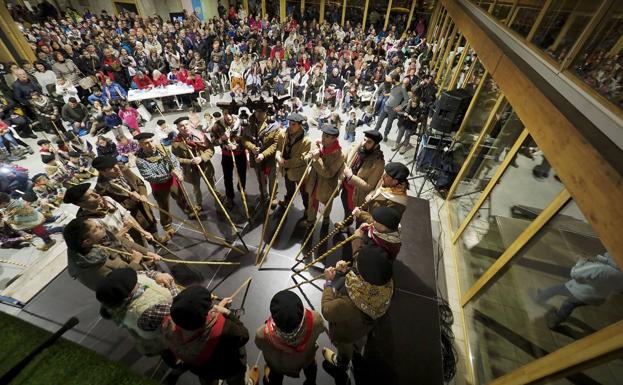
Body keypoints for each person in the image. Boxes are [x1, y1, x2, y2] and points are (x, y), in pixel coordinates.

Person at [321, 244, 394, 379]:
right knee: (360, 341)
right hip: (364, 327)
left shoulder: (349, 302)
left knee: (345, 349)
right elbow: (363, 278)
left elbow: (327, 310)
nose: (355, 262)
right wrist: (347, 270)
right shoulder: (385, 285)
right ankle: (357, 350)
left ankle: (342, 363)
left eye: (357, 263)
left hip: (346, 332)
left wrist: (328, 284)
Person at [161, 285, 259, 385]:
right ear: (206, 313)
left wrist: (216, 310)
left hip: (201, 369)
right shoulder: (224, 329)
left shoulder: (167, 325)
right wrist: (227, 312)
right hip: (227, 368)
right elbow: (244, 335)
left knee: (208, 380)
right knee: (237, 377)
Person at [95, 267, 178, 356]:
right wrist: (171, 284)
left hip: (156, 324)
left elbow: (143, 273)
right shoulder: (146, 312)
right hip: (169, 333)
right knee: (169, 350)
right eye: (135, 281)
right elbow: (178, 308)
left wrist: (158, 275)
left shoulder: (128, 283)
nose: (137, 280)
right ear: (128, 295)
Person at [62, 217, 158, 291]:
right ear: (87, 242)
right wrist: (135, 262)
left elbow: (121, 241)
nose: (101, 226)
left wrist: (146, 252)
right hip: (138, 289)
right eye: (96, 229)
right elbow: (123, 284)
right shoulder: (93, 266)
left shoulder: (99, 239)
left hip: (146, 273)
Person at [92, 156, 168, 245]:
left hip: (143, 207)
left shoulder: (122, 168)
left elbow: (139, 182)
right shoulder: (101, 188)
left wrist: (143, 195)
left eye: (115, 164)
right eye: (111, 168)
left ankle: (157, 241)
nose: (117, 168)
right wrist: (131, 199)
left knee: (151, 223)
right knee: (139, 239)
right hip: (131, 217)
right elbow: (114, 208)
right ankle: (146, 253)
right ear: (103, 172)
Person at [535, 252, 623, 328]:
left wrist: (581, 261)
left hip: (579, 290)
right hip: (595, 297)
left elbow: (575, 273)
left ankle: (540, 298)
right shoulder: (619, 273)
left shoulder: (601, 268)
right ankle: (555, 321)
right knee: (569, 305)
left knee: (556, 290)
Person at [255, 290, 326, 385]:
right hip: (306, 358)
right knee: (311, 370)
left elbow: (259, 345)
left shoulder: (263, 333)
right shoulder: (315, 319)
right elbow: (321, 329)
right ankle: (310, 381)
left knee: (275, 378)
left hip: (278, 365)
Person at [63, 183, 154, 245]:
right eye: (90, 196)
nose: (97, 195)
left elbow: (126, 216)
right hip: (122, 248)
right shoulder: (87, 222)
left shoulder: (107, 199)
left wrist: (143, 232)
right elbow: (107, 245)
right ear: (79, 204)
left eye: (94, 192)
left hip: (135, 238)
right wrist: (125, 229)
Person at [134, 132, 191, 232]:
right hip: (159, 186)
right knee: (164, 206)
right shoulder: (140, 160)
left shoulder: (163, 149)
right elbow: (150, 177)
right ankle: (167, 224)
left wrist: (178, 171)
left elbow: (175, 161)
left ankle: (188, 210)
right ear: (140, 145)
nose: (151, 145)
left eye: (151, 141)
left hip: (172, 180)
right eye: (146, 143)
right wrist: (170, 174)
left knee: (181, 197)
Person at [171, 116, 218, 211]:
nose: (185, 127)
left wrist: (201, 158)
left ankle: (218, 197)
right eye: (182, 126)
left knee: (211, 185)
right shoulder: (176, 143)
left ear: (190, 124)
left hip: (205, 166)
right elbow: (175, 159)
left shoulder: (200, 136)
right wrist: (189, 161)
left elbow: (210, 149)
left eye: (186, 124)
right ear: (178, 128)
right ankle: (199, 204)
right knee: (196, 188)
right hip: (191, 170)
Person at [241, 99, 282, 206]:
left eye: (262, 111)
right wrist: (252, 147)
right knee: (260, 179)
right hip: (256, 157)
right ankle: (264, 194)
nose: (259, 114)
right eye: (257, 111)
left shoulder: (274, 125)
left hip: (270, 158)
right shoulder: (249, 123)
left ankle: (273, 196)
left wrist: (263, 155)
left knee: (272, 179)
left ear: (266, 112)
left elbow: (275, 144)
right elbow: (244, 139)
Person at [303, 124, 345, 226]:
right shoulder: (318, 145)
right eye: (323, 134)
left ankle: (325, 217)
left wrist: (317, 159)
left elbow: (328, 173)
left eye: (326, 136)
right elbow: (307, 158)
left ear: (334, 139)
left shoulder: (339, 154)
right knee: (311, 203)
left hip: (326, 187)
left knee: (323, 206)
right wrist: (310, 157)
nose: (323, 138)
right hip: (314, 182)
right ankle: (310, 221)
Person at [341, 130, 385, 226]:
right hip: (346, 189)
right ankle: (347, 223)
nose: (364, 143)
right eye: (364, 139)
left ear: (376, 145)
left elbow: (369, 186)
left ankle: (357, 233)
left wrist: (351, 176)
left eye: (369, 142)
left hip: (359, 196)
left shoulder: (378, 162)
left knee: (359, 219)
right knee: (347, 210)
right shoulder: (357, 148)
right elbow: (345, 159)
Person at [210, 109, 247, 209]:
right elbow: (212, 142)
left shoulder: (242, 123)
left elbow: (247, 140)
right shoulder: (217, 125)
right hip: (226, 156)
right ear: (223, 114)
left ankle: (242, 190)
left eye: (231, 113)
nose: (229, 116)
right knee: (227, 177)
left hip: (240, 155)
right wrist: (222, 139)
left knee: (242, 175)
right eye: (226, 113)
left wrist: (237, 147)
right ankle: (230, 197)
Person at [275, 112, 310, 216]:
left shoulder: (306, 141)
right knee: (289, 188)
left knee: (304, 192)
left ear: (300, 125)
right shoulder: (282, 134)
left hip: (299, 172)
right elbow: (278, 148)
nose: (290, 126)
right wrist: (277, 156)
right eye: (289, 123)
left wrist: (286, 162)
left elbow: (302, 159)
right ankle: (287, 201)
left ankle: (308, 209)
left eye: (293, 124)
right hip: (287, 170)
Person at [353, 162, 409, 226]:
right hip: (368, 215)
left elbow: (381, 225)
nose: (383, 176)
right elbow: (378, 189)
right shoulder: (387, 183)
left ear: (395, 181)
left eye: (387, 176)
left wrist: (361, 214)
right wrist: (372, 194)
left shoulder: (397, 204)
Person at [374, 76, 410, 140]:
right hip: (386, 105)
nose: (403, 84)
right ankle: (375, 131)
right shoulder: (397, 85)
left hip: (393, 109)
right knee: (380, 120)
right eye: (403, 82)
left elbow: (406, 99)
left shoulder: (403, 88)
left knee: (389, 123)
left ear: (407, 84)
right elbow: (393, 92)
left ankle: (385, 135)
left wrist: (400, 106)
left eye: (405, 83)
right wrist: (387, 95)